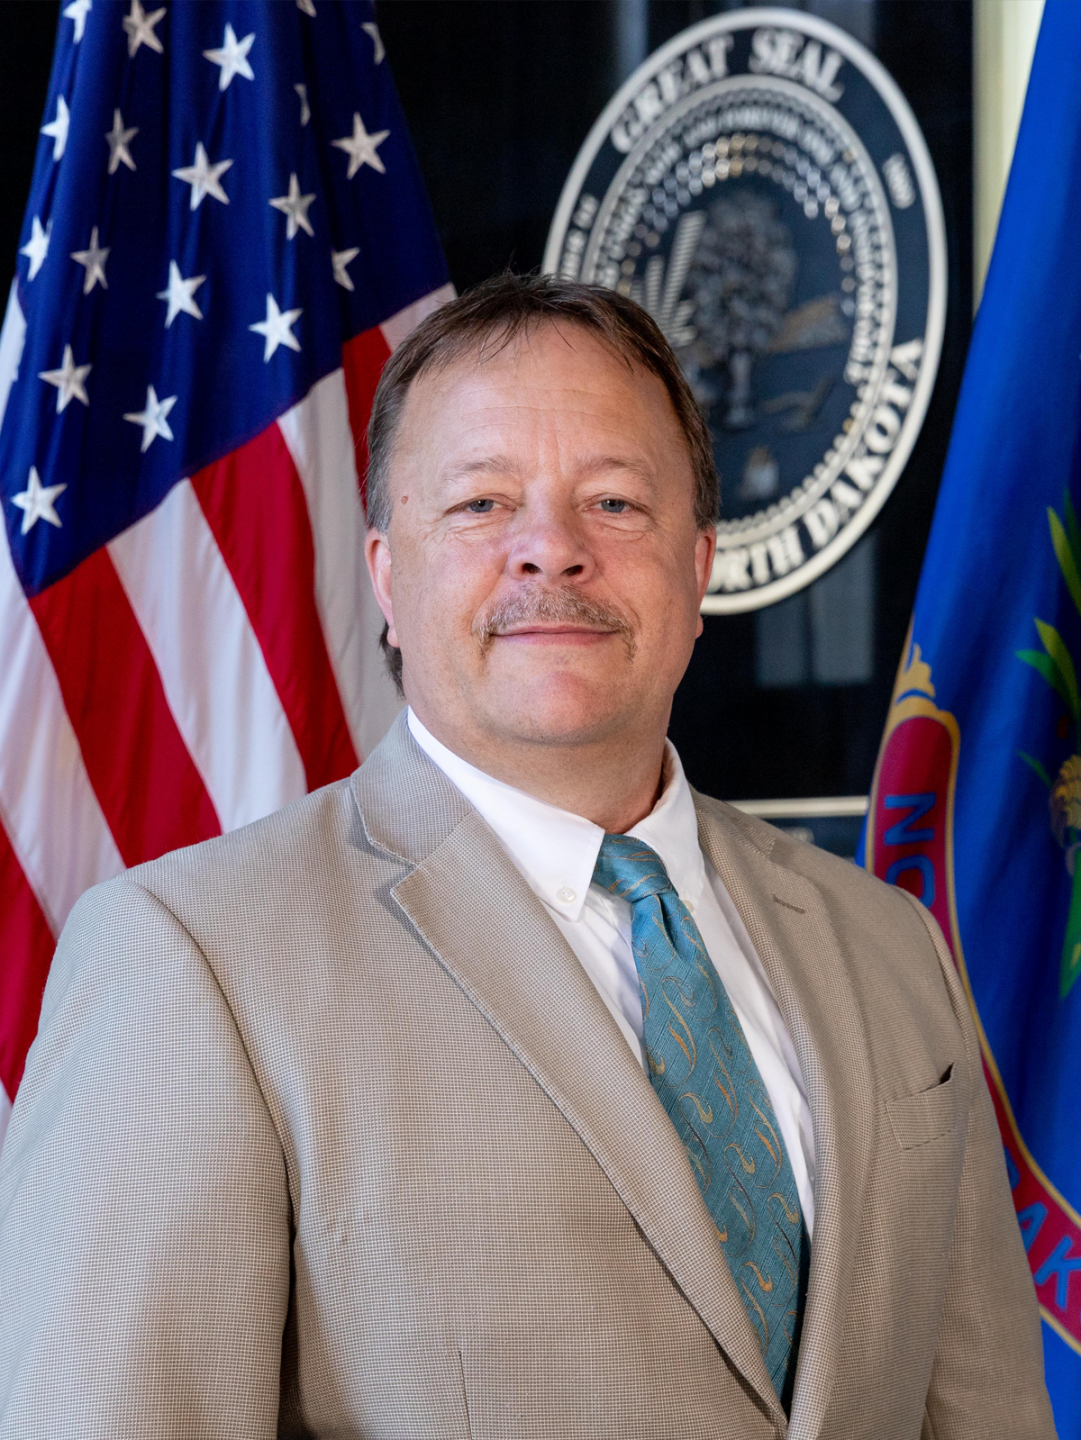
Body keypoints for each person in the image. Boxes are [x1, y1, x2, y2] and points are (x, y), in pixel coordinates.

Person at [0, 274, 1053, 1440]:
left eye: (612, 502)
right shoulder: (188, 959)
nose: (549, 552)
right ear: (390, 579)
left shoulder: (891, 946)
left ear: (698, 569)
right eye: (480, 505)